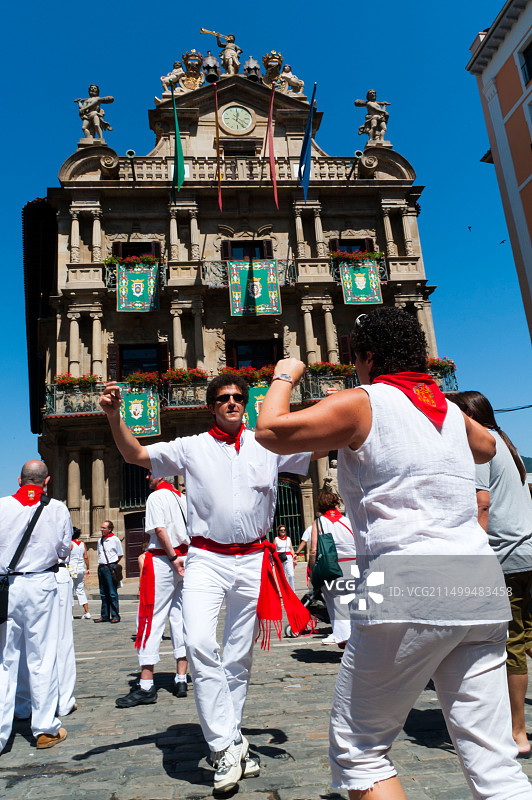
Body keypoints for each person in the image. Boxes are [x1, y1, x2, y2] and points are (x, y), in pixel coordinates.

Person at [255, 307, 532, 800]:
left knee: (360, 749)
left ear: (366, 356)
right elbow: (487, 447)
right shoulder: (446, 408)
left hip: (405, 578)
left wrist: (284, 375)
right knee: (493, 758)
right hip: (478, 581)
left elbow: (270, 430)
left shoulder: (364, 401)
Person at [99, 373, 314, 793]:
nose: (232, 402)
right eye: (223, 398)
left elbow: (324, 442)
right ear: (212, 406)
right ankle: (223, 746)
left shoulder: (269, 443)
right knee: (197, 642)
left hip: (254, 559)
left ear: (247, 404)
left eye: (238, 397)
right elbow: (136, 453)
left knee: (238, 656)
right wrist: (114, 416)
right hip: (205, 559)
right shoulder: (191, 446)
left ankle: (231, 742)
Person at [447, 390, 532, 758]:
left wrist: (474, 559)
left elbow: (481, 503)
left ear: (468, 415)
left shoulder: (481, 446)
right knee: (529, 636)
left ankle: (517, 732)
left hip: (507, 557)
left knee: (512, 643)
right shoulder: (509, 445)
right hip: (528, 551)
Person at [0, 460, 71, 752]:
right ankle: (44, 729)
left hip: (6, 587)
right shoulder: (56, 509)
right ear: (47, 481)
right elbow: (64, 549)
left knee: (4, 661)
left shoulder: (2, 506)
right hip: (41, 585)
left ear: (19, 479)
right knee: (42, 657)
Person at [116, 473, 189, 707]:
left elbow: (159, 530)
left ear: (160, 475)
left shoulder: (156, 497)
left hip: (164, 561)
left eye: (150, 471)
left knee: (151, 618)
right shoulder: (183, 498)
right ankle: (181, 679)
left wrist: (173, 556)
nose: (146, 475)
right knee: (181, 619)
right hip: (186, 560)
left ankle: (146, 685)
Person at [309, 491, 355, 646]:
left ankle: (343, 638)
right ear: (337, 504)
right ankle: (358, 638)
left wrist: (312, 569)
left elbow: (314, 550)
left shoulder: (319, 522)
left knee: (337, 604)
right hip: (354, 565)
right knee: (354, 604)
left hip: (332, 567)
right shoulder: (348, 521)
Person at [94, 520, 123, 624]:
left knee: (112, 593)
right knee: (103, 593)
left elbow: (120, 554)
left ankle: (115, 615)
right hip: (101, 567)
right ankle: (104, 615)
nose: (102, 529)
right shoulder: (100, 540)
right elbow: (99, 553)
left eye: (104, 528)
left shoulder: (115, 540)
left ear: (109, 529)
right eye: (101, 527)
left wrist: (113, 565)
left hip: (110, 567)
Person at [70, 528, 90, 618]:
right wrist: (88, 568)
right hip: (80, 568)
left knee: (70, 592)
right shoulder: (82, 544)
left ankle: (70, 614)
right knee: (80, 590)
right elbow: (85, 557)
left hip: (71, 569)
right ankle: (87, 612)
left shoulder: (70, 544)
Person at [274, 524, 296, 590]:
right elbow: (274, 549)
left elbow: (291, 548)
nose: (283, 531)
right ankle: (285, 590)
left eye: (284, 530)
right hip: (280, 557)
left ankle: (292, 590)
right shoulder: (276, 539)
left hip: (289, 557)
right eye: (281, 530)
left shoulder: (288, 538)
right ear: (279, 531)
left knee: (291, 575)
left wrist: (294, 556)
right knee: (283, 576)